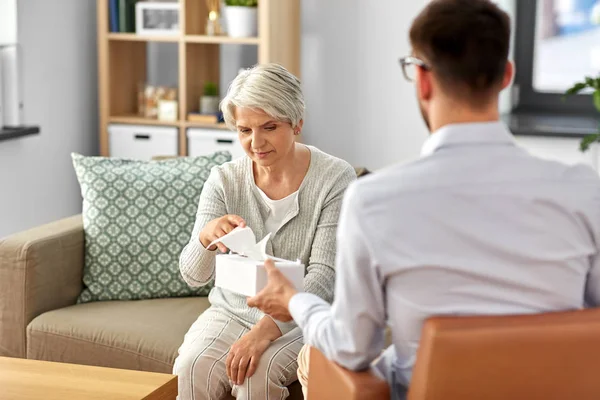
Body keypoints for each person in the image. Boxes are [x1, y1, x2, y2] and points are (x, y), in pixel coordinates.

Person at [247, 1, 600, 398]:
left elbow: (351, 347)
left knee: (318, 360)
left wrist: (294, 300)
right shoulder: (583, 191)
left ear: (423, 81)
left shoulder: (374, 200)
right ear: (507, 76)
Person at [174, 63, 356, 400]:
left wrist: (263, 332)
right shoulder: (224, 180)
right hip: (230, 311)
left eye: (269, 127)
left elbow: (324, 278)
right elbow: (193, 275)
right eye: (244, 130)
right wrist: (206, 237)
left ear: (297, 122)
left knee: (257, 376)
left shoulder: (335, 179)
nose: (255, 143)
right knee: (191, 368)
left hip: (303, 314)